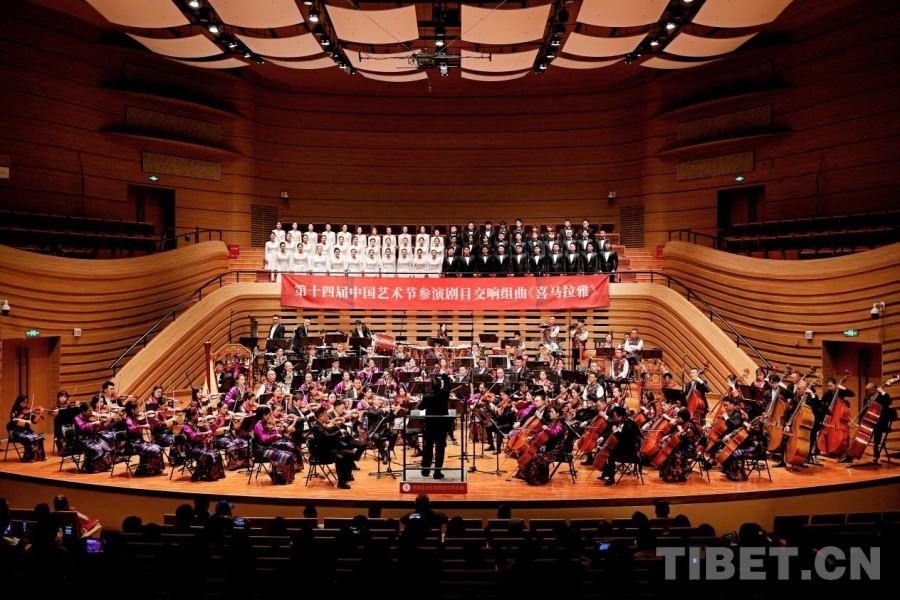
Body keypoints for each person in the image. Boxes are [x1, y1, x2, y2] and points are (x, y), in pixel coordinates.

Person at [840, 381, 896, 464]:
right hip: (870, 421)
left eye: (868, 391)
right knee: (861, 437)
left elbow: (889, 402)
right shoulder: (866, 398)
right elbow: (864, 412)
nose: (866, 393)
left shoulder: (882, 396)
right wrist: (860, 423)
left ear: (874, 390)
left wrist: (882, 392)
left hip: (880, 422)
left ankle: (876, 453)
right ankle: (850, 455)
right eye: (866, 391)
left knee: (875, 435)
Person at [311, 406, 358, 489]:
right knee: (340, 458)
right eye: (326, 415)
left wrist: (333, 426)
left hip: (330, 449)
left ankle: (347, 476)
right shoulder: (317, 427)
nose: (328, 417)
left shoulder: (321, 425)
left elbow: (329, 433)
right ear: (321, 417)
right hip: (324, 453)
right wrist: (339, 432)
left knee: (350, 454)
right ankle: (341, 482)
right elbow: (328, 437)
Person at [518, 405, 566, 485]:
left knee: (535, 456)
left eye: (552, 412)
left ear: (557, 414)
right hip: (548, 447)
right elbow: (541, 432)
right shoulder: (552, 422)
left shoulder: (560, 424)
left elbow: (555, 433)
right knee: (529, 452)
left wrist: (547, 428)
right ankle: (525, 475)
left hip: (555, 449)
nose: (550, 413)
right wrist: (533, 437)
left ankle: (540, 478)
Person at [417, 373, 453, 479]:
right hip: (441, 426)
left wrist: (424, 395)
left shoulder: (427, 397)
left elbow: (420, 407)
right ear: (440, 385)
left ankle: (425, 471)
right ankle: (437, 472)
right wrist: (444, 375)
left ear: (431, 386)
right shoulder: (444, 393)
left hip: (430, 426)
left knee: (428, 448)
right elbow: (448, 385)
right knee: (440, 449)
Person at [597, 405, 642, 486]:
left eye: (615, 416)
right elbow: (611, 432)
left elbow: (624, 440)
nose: (613, 418)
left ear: (620, 416)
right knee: (602, 450)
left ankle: (611, 479)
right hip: (622, 448)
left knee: (610, 456)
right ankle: (606, 472)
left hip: (629, 452)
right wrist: (602, 438)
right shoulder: (619, 422)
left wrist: (616, 432)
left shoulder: (629, 425)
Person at [253, 405, 297, 484]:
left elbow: (272, 432)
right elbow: (264, 438)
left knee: (288, 454)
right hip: (261, 449)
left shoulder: (264, 423)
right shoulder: (258, 425)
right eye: (269, 415)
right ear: (264, 415)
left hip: (268, 447)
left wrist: (280, 430)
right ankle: (279, 478)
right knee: (284, 456)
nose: (270, 416)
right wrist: (275, 436)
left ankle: (285, 477)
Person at [182, 407, 226, 481]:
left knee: (216, 454)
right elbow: (193, 436)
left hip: (201, 446)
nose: (198, 416)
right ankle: (207, 474)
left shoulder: (198, 424)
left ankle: (214, 474)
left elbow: (210, 431)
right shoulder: (186, 426)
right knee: (210, 455)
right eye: (197, 415)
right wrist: (205, 433)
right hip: (192, 448)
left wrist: (214, 423)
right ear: (192, 417)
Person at [122, 400, 165, 476]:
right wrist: (142, 426)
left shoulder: (136, 418)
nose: (139, 410)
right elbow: (131, 428)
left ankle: (156, 469)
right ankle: (147, 470)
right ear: (132, 410)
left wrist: (155, 419)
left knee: (159, 448)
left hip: (140, 441)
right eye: (137, 408)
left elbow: (150, 425)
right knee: (154, 449)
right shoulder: (128, 419)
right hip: (133, 444)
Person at [656, 409, 701, 483]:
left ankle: (676, 475)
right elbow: (675, 434)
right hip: (681, 446)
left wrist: (681, 431)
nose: (677, 419)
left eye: (679, 417)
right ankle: (666, 474)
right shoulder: (682, 424)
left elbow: (688, 438)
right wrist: (668, 436)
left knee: (674, 454)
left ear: (683, 418)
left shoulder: (689, 425)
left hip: (688, 449)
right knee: (666, 451)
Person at [73, 401, 114, 472]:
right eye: (89, 411)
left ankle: (103, 466)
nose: (92, 412)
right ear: (83, 411)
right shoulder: (77, 418)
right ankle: (89, 466)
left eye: (92, 410)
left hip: (92, 437)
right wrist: (93, 423)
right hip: (82, 439)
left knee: (105, 444)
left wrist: (105, 423)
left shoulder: (92, 417)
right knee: (96, 448)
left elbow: (96, 429)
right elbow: (82, 427)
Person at [7, 394, 47, 462]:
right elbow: (14, 421)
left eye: (26, 402)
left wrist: (40, 415)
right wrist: (25, 421)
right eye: (23, 403)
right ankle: (29, 457)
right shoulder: (14, 411)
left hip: (27, 430)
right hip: (18, 432)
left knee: (39, 438)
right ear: (18, 402)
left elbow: (34, 421)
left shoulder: (28, 411)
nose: (25, 404)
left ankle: (40, 456)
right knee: (29, 439)